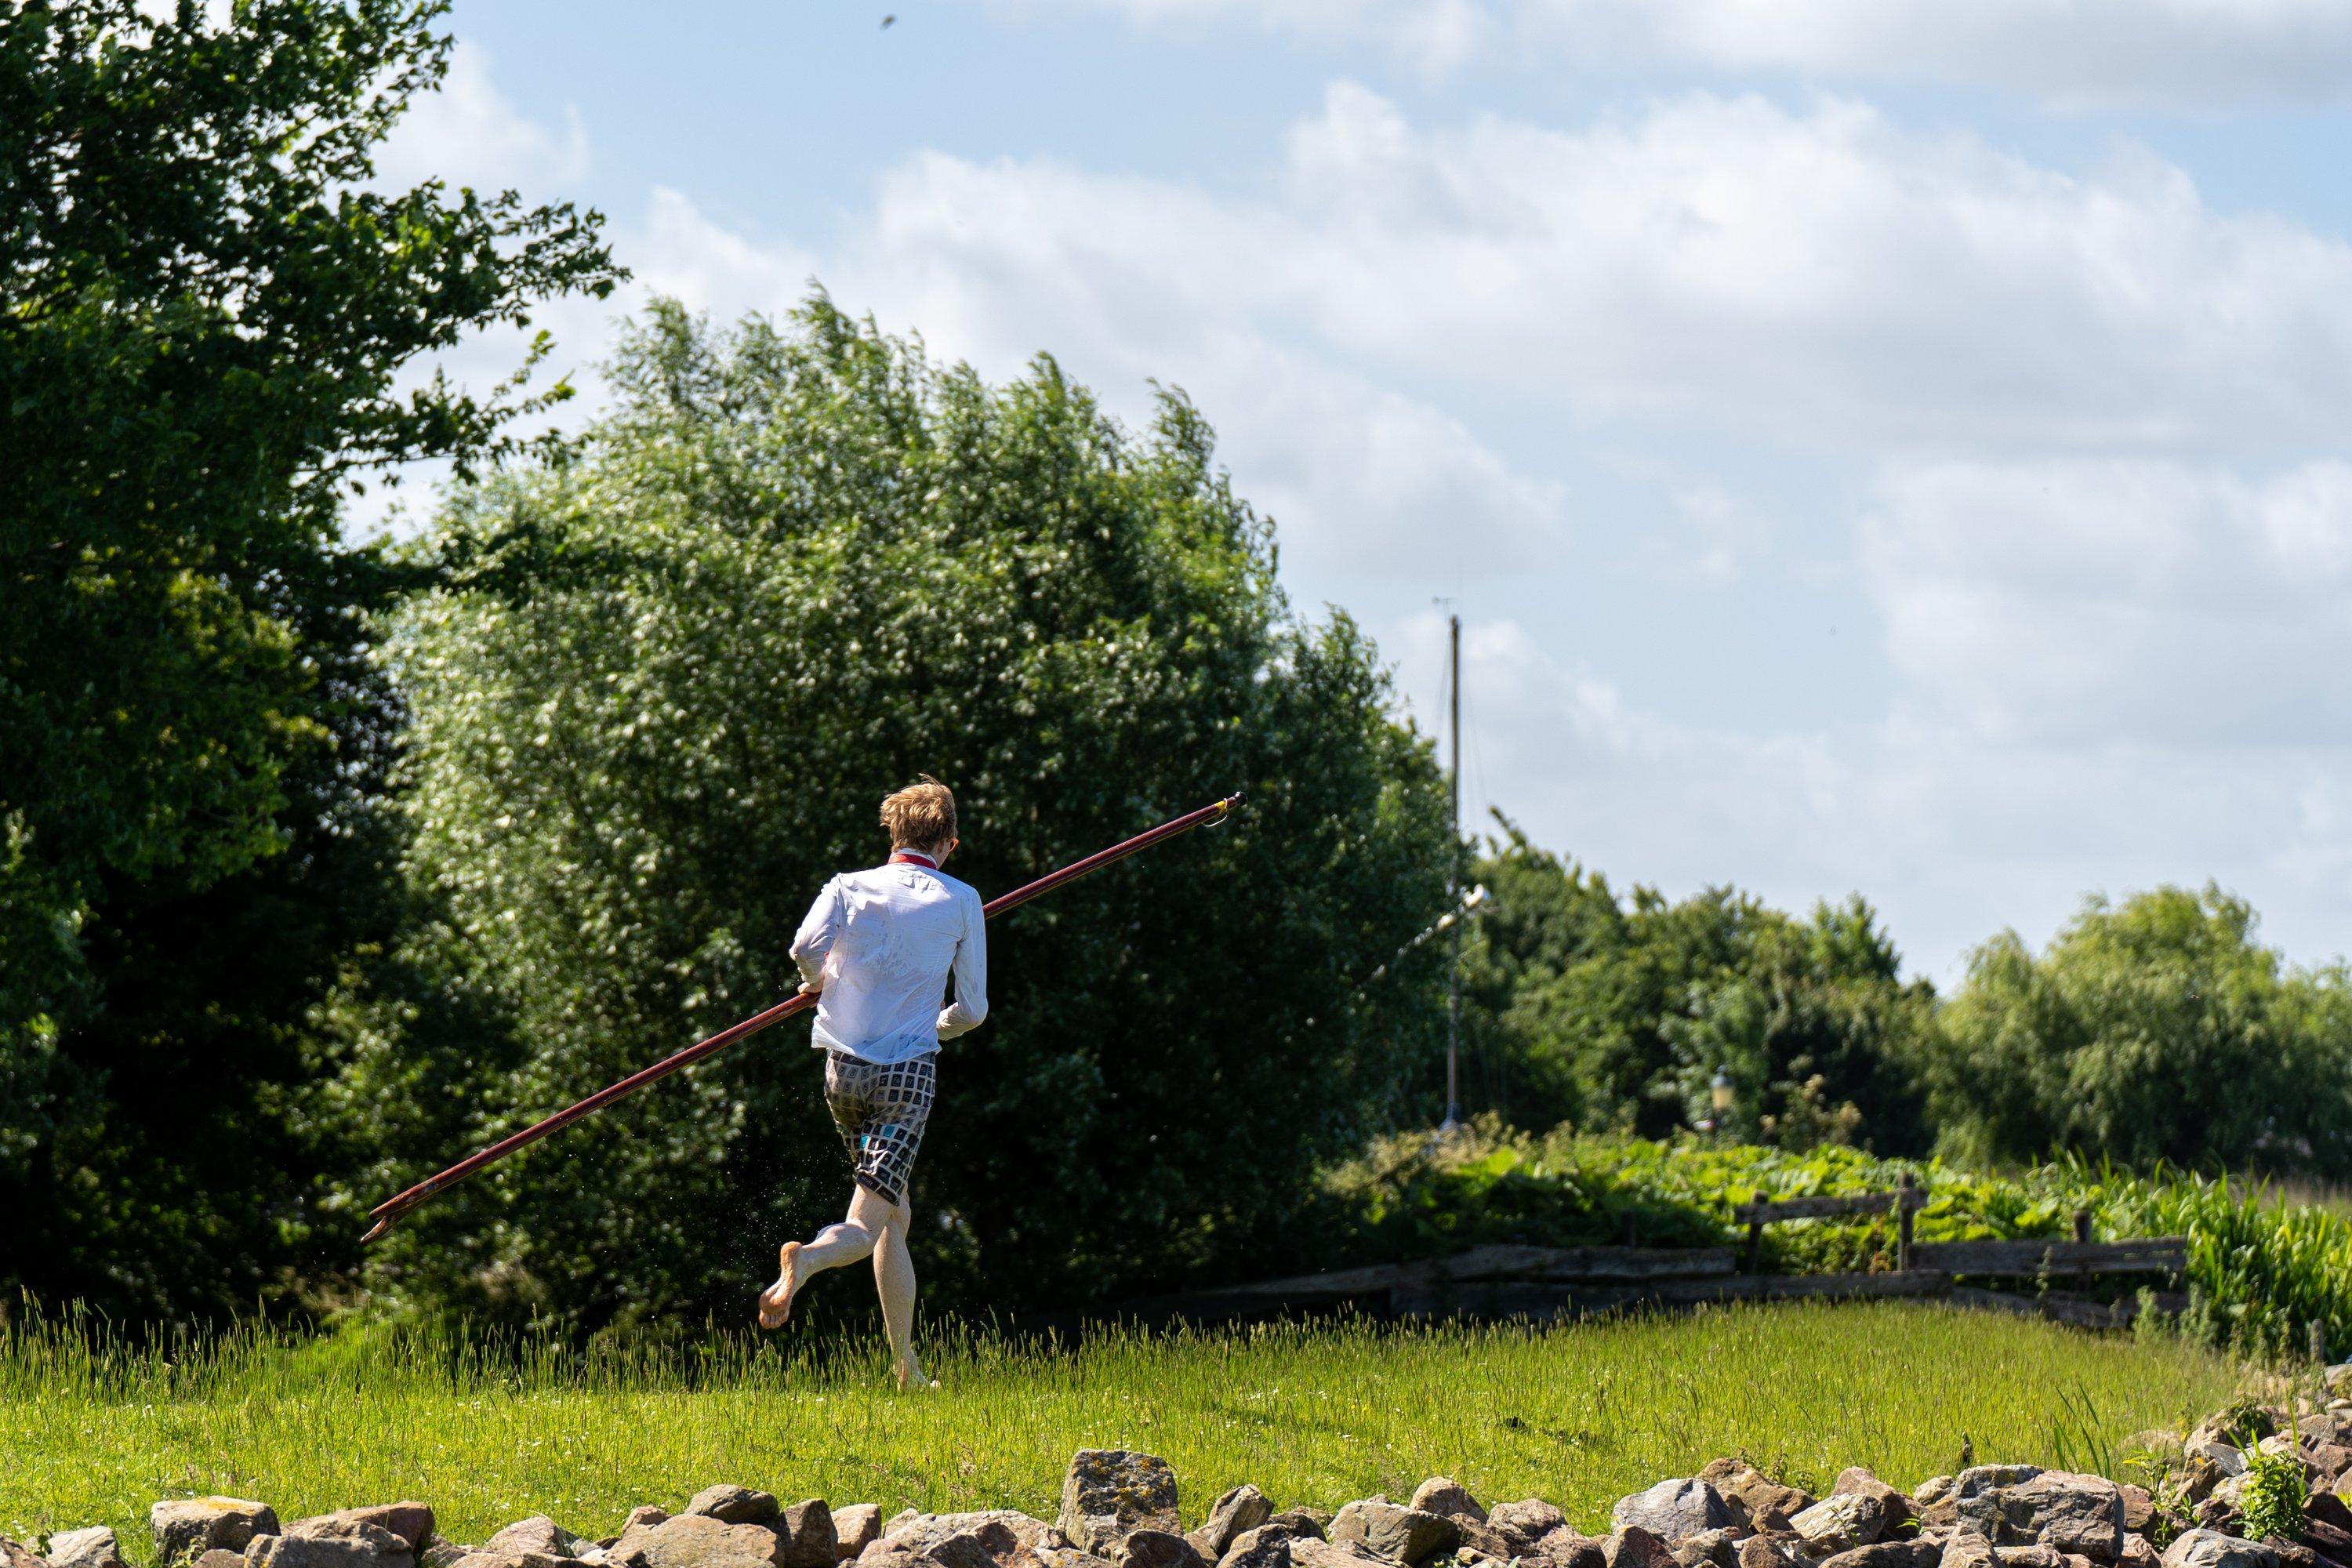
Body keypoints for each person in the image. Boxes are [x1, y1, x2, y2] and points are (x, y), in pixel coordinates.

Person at [757, 775, 985, 1389]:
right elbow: (972, 1010)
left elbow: (804, 948)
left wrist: (821, 984)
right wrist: (932, 1026)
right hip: (905, 1080)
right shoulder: (963, 899)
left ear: (894, 834)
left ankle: (906, 1366)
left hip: (844, 1074)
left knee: (892, 1212)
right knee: (862, 1226)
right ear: (950, 843)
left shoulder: (847, 886)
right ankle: (807, 1259)